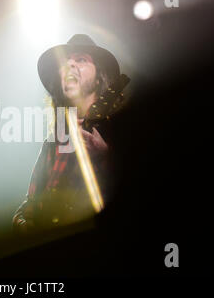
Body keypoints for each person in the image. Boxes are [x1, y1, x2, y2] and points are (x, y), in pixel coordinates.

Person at [13, 34, 129, 233]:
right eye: (65, 62)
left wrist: (104, 157)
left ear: (100, 76)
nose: (70, 65)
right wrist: (22, 223)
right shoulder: (55, 139)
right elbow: (30, 203)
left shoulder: (120, 128)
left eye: (81, 59)